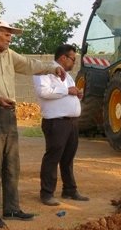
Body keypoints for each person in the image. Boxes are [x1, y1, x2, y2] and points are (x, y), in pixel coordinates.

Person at [0, 18, 66, 228]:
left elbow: (29, 65)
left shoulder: (9, 55)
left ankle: (11, 208)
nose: (10, 38)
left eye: (11, 34)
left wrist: (52, 68)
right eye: (6, 33)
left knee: (12, 165)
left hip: (9, 113)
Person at [33, 44, 89, 206]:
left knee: (67, 158)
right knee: (53, 157)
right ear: (63, 57)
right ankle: (47, 193)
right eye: (73, 59)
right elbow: (43, 92)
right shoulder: (44, 71)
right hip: (56, 122)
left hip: (71, 123)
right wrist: (67, 92)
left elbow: (69, 93)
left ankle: (70, 190)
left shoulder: (68, 76)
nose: (74, 62)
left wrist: (77, 94)